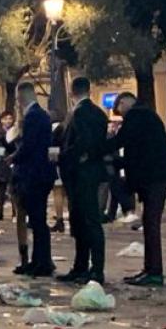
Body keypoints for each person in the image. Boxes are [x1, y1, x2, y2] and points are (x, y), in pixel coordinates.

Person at [105, 92, 166, 286]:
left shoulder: (136, 116)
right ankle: (150, 268)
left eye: (119, 109)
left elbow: (122, 142)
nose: (120, 114)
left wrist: (98, 149)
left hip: (154, 178)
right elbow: (136, 149)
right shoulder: (148, 115)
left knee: (151, 224)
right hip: (156, 177)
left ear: (124, 102)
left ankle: (154, 271)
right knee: (149, 222)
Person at [57, 77, 110, 284]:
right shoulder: (98, 113)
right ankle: (90, 267)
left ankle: (88, 268)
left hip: (80, 174)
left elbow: (81, 143)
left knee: (84, 220)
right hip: (92, 172)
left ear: (72, 93)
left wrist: (63, 156)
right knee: (86, 220)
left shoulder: (78, 114)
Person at [9, 81, 55, 276]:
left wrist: (12, 157)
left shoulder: (32, 117)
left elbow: (28, 147)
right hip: (42, 174)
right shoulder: (42, 115)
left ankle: (41, 262)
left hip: (33, 175)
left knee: (36, 220)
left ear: (22, 97)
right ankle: (40, 260)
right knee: (38, 220)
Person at [0, 111, 15, 220]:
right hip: (1, 164)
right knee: (1, 190)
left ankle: (15, 212)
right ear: (2, 120)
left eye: (10, 118)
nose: (8, 121)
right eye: (6, 119)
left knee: (12, 190)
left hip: (12, 164)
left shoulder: (15, 132)